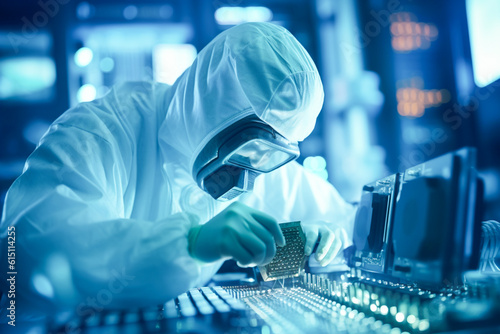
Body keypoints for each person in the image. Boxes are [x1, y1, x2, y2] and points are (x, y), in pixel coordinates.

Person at [0, 22, 356, 320]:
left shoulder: (253, 161)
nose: (247, 177)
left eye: (269, 156)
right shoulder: (101, 131)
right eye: (248, 147)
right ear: (209, 109)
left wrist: (308, 245)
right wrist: (191, 243)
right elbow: (31, 252)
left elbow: (345, 224)